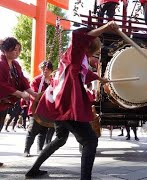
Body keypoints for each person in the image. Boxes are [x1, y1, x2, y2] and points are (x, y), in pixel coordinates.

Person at [25, 21, 119, 179]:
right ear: (88, 48)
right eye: (93, 53)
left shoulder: (77, 59)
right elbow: (79, 36)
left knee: (61, 138)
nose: (92, 57)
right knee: (90, 140)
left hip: (58, 103)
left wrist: (100, 78)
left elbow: (82, 73)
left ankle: (33, 170)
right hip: (66, 104)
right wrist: (105, 28)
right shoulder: (74, 53)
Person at [0, 37, 37, 167]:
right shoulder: (1, 62)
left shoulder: (15, 65)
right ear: (6, 49)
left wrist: (34, 94)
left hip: (4, 104)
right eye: (14, 49)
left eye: (18, 50)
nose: (17, 52)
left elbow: (22, 81)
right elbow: (2, 84)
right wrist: (20, 94)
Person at [23, 61, 54, 157]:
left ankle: (39, 149)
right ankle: (26, 150)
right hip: (36, 109)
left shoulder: (53, 81)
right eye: (43, 68)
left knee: (44, 129)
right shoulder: (36, 80)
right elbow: (33, 94)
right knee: (32, 130)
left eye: (47, 69)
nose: (45, 71)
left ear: (51, 70)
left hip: (48, 110)